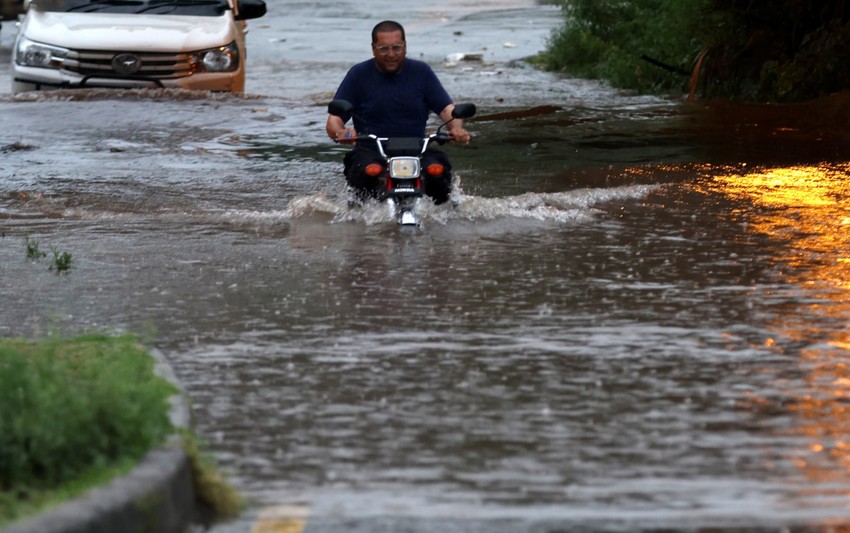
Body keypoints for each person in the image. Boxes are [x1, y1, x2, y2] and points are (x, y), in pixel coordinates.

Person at [326, 20, 471, 205]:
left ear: (405, 47)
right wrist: (341, 132)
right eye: (384, 49)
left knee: (437, 172)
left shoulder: (421, 72)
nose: (391, 54)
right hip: (372, 151)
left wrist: (456, 128)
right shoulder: (358, 74)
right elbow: (335, 117)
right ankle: (362, 219)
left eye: (397, 48)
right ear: (373, 49)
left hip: (418, 151)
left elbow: (446, 109)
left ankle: (441, 218)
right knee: (367, 172)